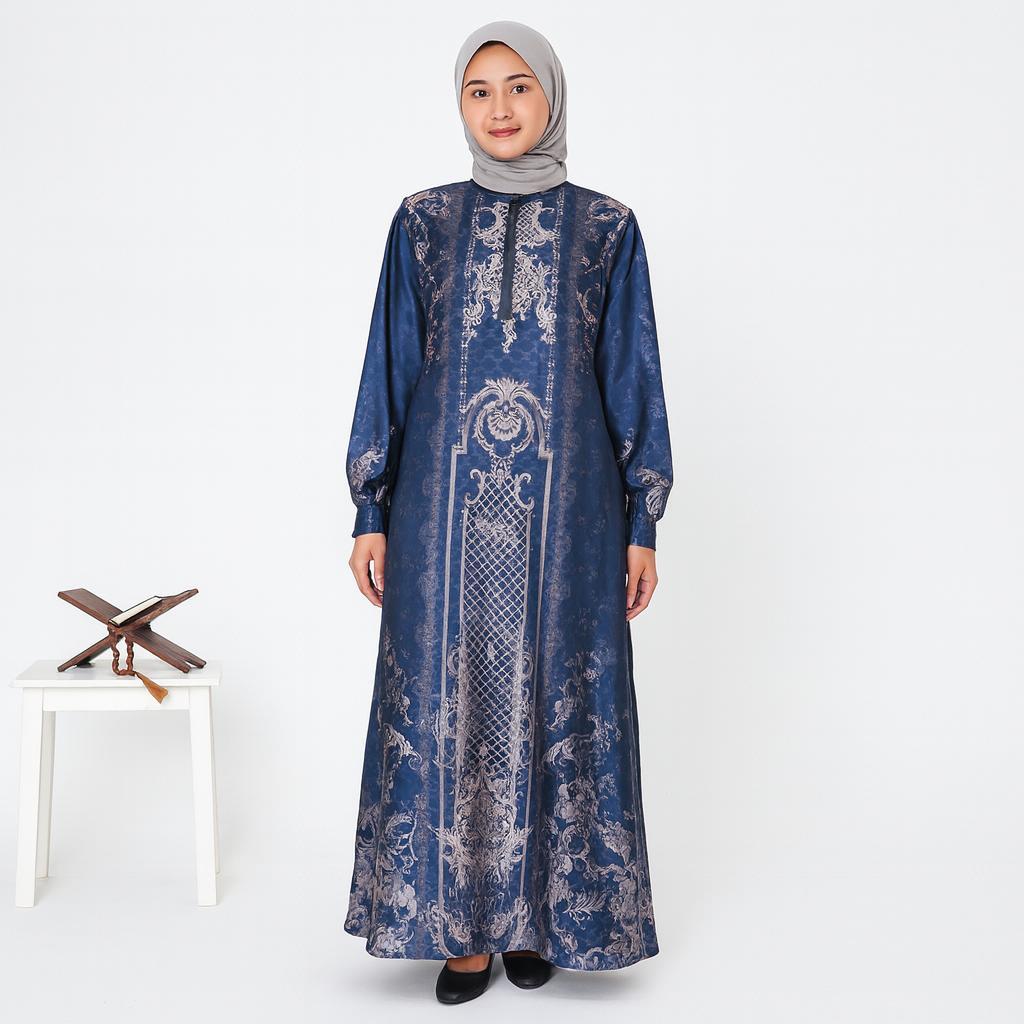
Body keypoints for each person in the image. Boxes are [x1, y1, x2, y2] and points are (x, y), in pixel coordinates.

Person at [343, 20, 674, 1005]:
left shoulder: (607, 227)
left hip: (570, 521)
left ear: (552, 97)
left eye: (519, 87)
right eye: (479, 90)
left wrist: (642, 523)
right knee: (458, 702)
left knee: (550, 700)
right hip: (439, 520)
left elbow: (632, 378)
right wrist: (369, 508)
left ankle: (539, 921)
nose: (499, 108)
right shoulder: (422, 223)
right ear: (460, 104)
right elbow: (390, 365)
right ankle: (462, 931)